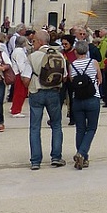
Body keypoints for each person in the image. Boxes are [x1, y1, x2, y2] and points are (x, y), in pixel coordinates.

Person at [25, 29, 66, 169]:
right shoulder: (59, 55)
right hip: (54, 92)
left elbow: (25, 78)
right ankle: (56, 156)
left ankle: (36, 160)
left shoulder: (32, 56)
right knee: (56, 125)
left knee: (35, 127)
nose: (33, 43)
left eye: (34, 41)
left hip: (36, 91)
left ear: (41, 42)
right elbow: (64, 76)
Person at [68, 39, 101, 169]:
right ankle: (82, 153)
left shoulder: (72, 65)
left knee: (80, 129)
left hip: (78, 99)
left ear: (75, 51)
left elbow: (72, 80)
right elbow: (99, 78)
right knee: (91, 128)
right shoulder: (93, 63)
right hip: (92, 97)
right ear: (87, 51)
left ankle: (83, 158)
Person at [9, 34, 30, 117]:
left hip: (17, 74)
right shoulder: (20, 52)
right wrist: (24, 75)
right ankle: (16, 110)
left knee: (17, 92)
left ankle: (14, 108)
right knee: (20, 93)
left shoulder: (17, 51)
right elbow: (21, 65)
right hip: (19, 74)